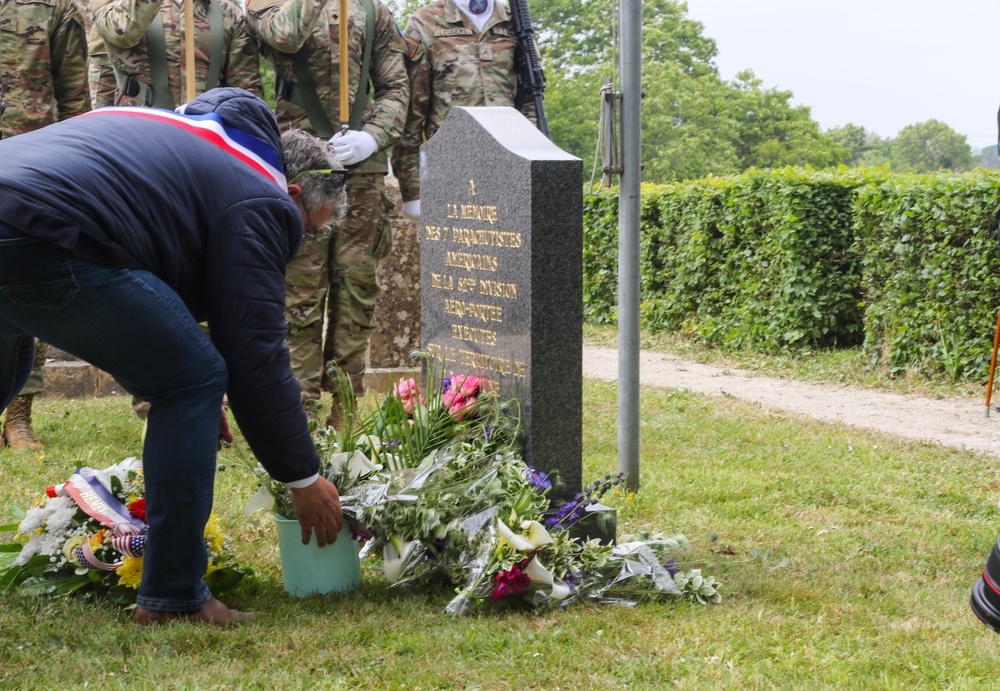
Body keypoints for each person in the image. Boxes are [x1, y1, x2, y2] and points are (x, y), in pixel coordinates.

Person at [0, 87, 344, 626]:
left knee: (10, 362)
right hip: (37, 228)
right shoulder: (262, 195)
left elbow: (146, 269)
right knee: (191, 382)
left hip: (20, 207)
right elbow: (255, 354)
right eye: (308, 232)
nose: (299, 246)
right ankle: (174, 597)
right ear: (294, 193)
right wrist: (302, 478)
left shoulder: (186, 142)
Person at [247, 0, 409, 426]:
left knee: (356, 291)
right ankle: (296, 413)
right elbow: (284, 35)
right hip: (300, 162)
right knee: (298, 294)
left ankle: (345, 411)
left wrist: (372, 138)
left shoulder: (373, 10)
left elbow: (396, 88)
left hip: (362, 171)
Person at [0, 0, 91, 451]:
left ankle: (19, 413)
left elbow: (75, 98)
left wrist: (72, 171)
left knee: (26, 284)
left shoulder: (54, 7)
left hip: (27, 171)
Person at [391, 0, 536, 222]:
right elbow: (410, 115)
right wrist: (413, 192)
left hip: (508, 167)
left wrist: (534, 156)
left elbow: (531, 99)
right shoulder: (425, 22)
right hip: (450, 168)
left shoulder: (513, 20)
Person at [92, 0, 262, 108]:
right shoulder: (113, 5)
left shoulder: (228, 13)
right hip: (136, 134)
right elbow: (122, 32)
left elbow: (245, 93)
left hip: (203, 135)